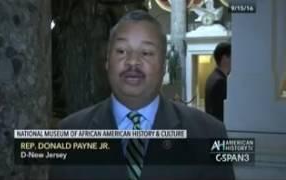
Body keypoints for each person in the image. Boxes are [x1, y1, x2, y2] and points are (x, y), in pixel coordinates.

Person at [49, 10, 234, 180]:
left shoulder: (209, 133)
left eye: (146, 52)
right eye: (121, 51)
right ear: (107, 61)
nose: (132, 62)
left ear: (164, 66)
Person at [205, 42, 231, 122]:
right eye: (232, 56)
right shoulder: (220, 81)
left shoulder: (212, 76)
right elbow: (221, 112)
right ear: (224, 58)